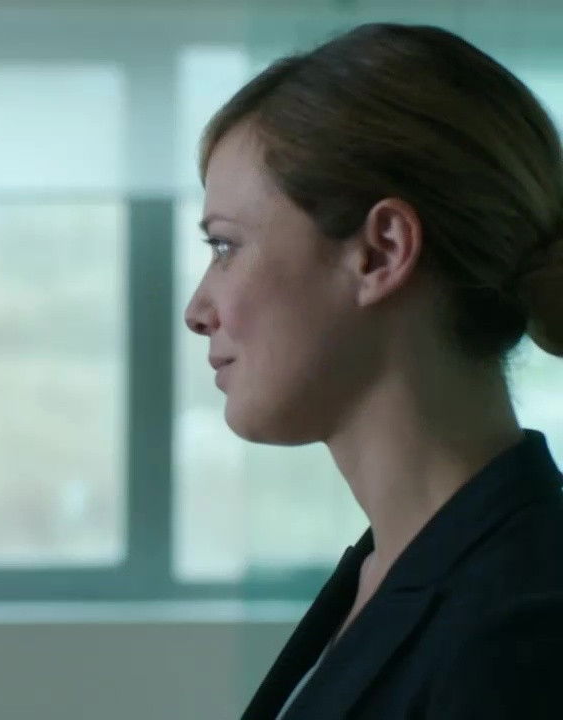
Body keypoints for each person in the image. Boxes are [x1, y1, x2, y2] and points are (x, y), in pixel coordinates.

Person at [185, 23, 563, 719]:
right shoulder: (392, 570)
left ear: (381, 253)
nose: (197, 311)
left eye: (226, 246)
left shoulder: (521, 632)